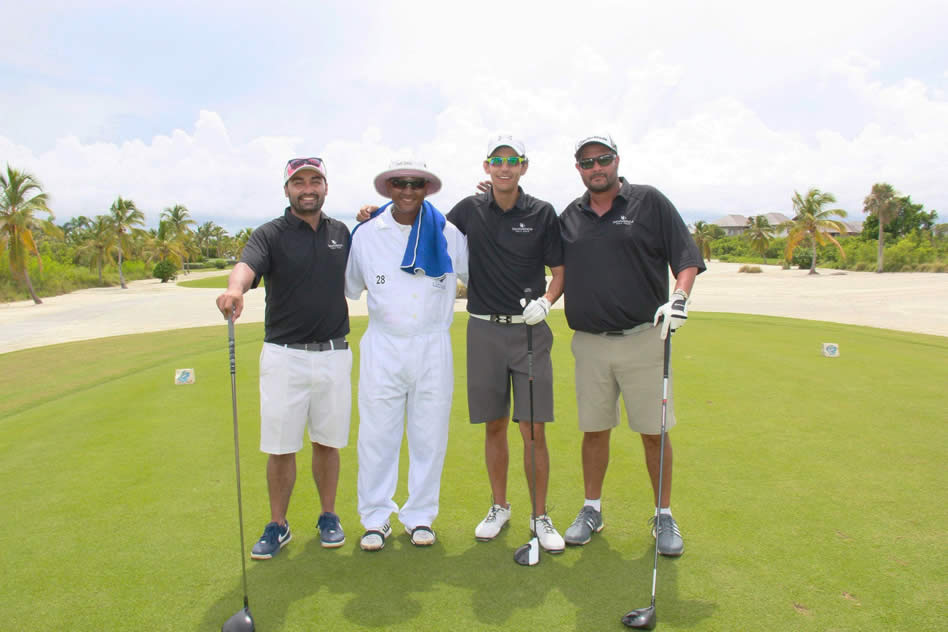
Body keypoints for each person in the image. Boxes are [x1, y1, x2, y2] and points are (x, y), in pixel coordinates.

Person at [558, 134, 705, 556]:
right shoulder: (569, 217)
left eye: (603, 159)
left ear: (617, 160)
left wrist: (679, 298)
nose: (596, 167)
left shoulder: (649, 202)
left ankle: (663, 515)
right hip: (590, 344)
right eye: (587, 162)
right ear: (578, 169)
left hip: (644, 339)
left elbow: (686, 258)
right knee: (594, 430)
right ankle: (591, 509)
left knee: (654, 433)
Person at [216, 157, 352, 558]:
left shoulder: (341, 233)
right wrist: (235, 289)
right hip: (284, 356)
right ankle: (278, 523)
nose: (307, 188)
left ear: (325, 187)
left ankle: (328, 515)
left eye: (314, 181)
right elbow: (246, 266)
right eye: (299, 182)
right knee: (280, 446)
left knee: (327, 442)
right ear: (287, 189)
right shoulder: (270, 234)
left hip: (333, 353)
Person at [446, 135, 566, 553]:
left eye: (512, 161)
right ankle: (499, 506)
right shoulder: (469, 209)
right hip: (483, 330)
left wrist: (547, 302)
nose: (504, 167)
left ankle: (539, 515)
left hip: (529, 332)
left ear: (523, 167)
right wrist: (375, 214)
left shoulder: (541, 212)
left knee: (533, 428)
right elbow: (427, 228)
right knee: (494, 424)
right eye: (497, 161)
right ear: (486, 167)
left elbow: (559, 271)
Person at [345, 160, 469, 551]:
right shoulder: (367, 234)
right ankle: (375, 517)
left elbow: (474, 275)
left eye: (417, 183)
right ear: (388, 188)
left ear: (427, 188)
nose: (408, 190)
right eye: (399, 183)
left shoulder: (449, 233)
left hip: (433, 344)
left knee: (429, 436)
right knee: (376, 436)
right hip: (383, 345)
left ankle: (420, 516)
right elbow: (352, 285)